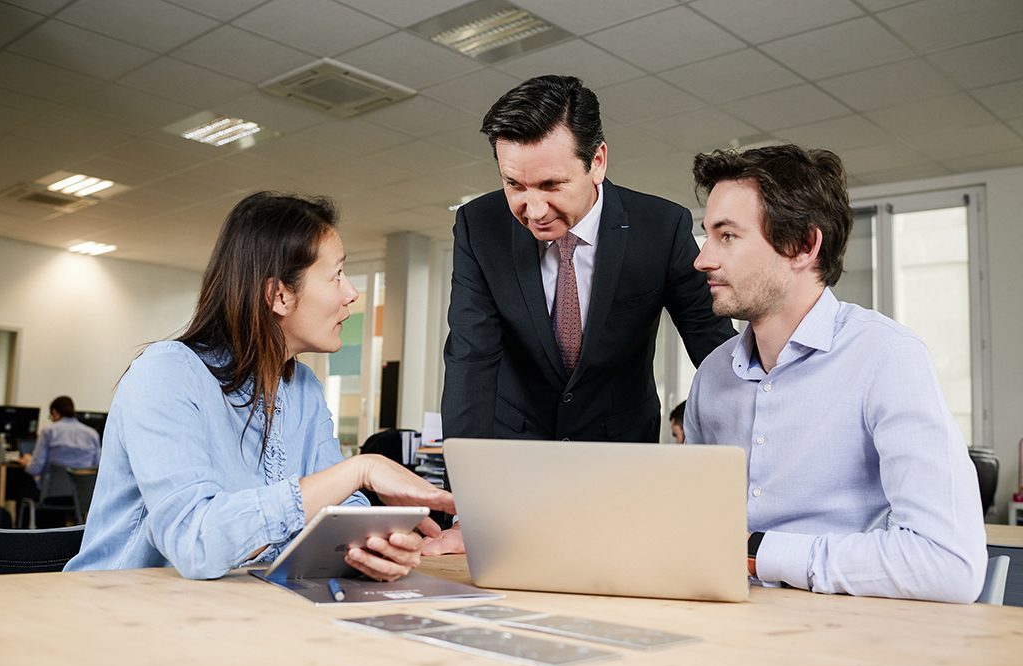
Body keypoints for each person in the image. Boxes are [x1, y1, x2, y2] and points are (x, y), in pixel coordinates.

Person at [66, 192, 454, 580]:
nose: (351, 292)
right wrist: (361, 469)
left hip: (233, 611)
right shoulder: (165, 374)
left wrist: (373, 546)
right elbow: (196, 541)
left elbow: (336, 505)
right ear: (279, 295)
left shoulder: (303, 387)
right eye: (336, 275)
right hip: (118, 611)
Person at [430, 76, 735, 554]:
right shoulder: (479, 226)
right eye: (514, 184)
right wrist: (467, 500)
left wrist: (741, 470)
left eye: (552, 184)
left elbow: (714, 349)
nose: (531, 209)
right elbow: (471, 360)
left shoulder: (660, 227)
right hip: (514, 457)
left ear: (598, 161)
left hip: (618, 458)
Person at [685, 144, 987, 603]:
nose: (702, 259)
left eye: (727, 236)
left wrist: (760, 553)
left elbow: (949, 563)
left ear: (804, 246)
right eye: (706, 235)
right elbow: (694, 535)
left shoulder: (886, 358)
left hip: (846, 641)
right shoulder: (713, 376)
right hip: (724, 629)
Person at [6, 396, 100, 506]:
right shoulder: (92, 434)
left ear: (55, 412)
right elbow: (97, 467)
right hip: (82, 497)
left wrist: (28, 462)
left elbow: (34, 469)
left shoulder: (49, 432)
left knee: (20, 484)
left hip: (51, 495)